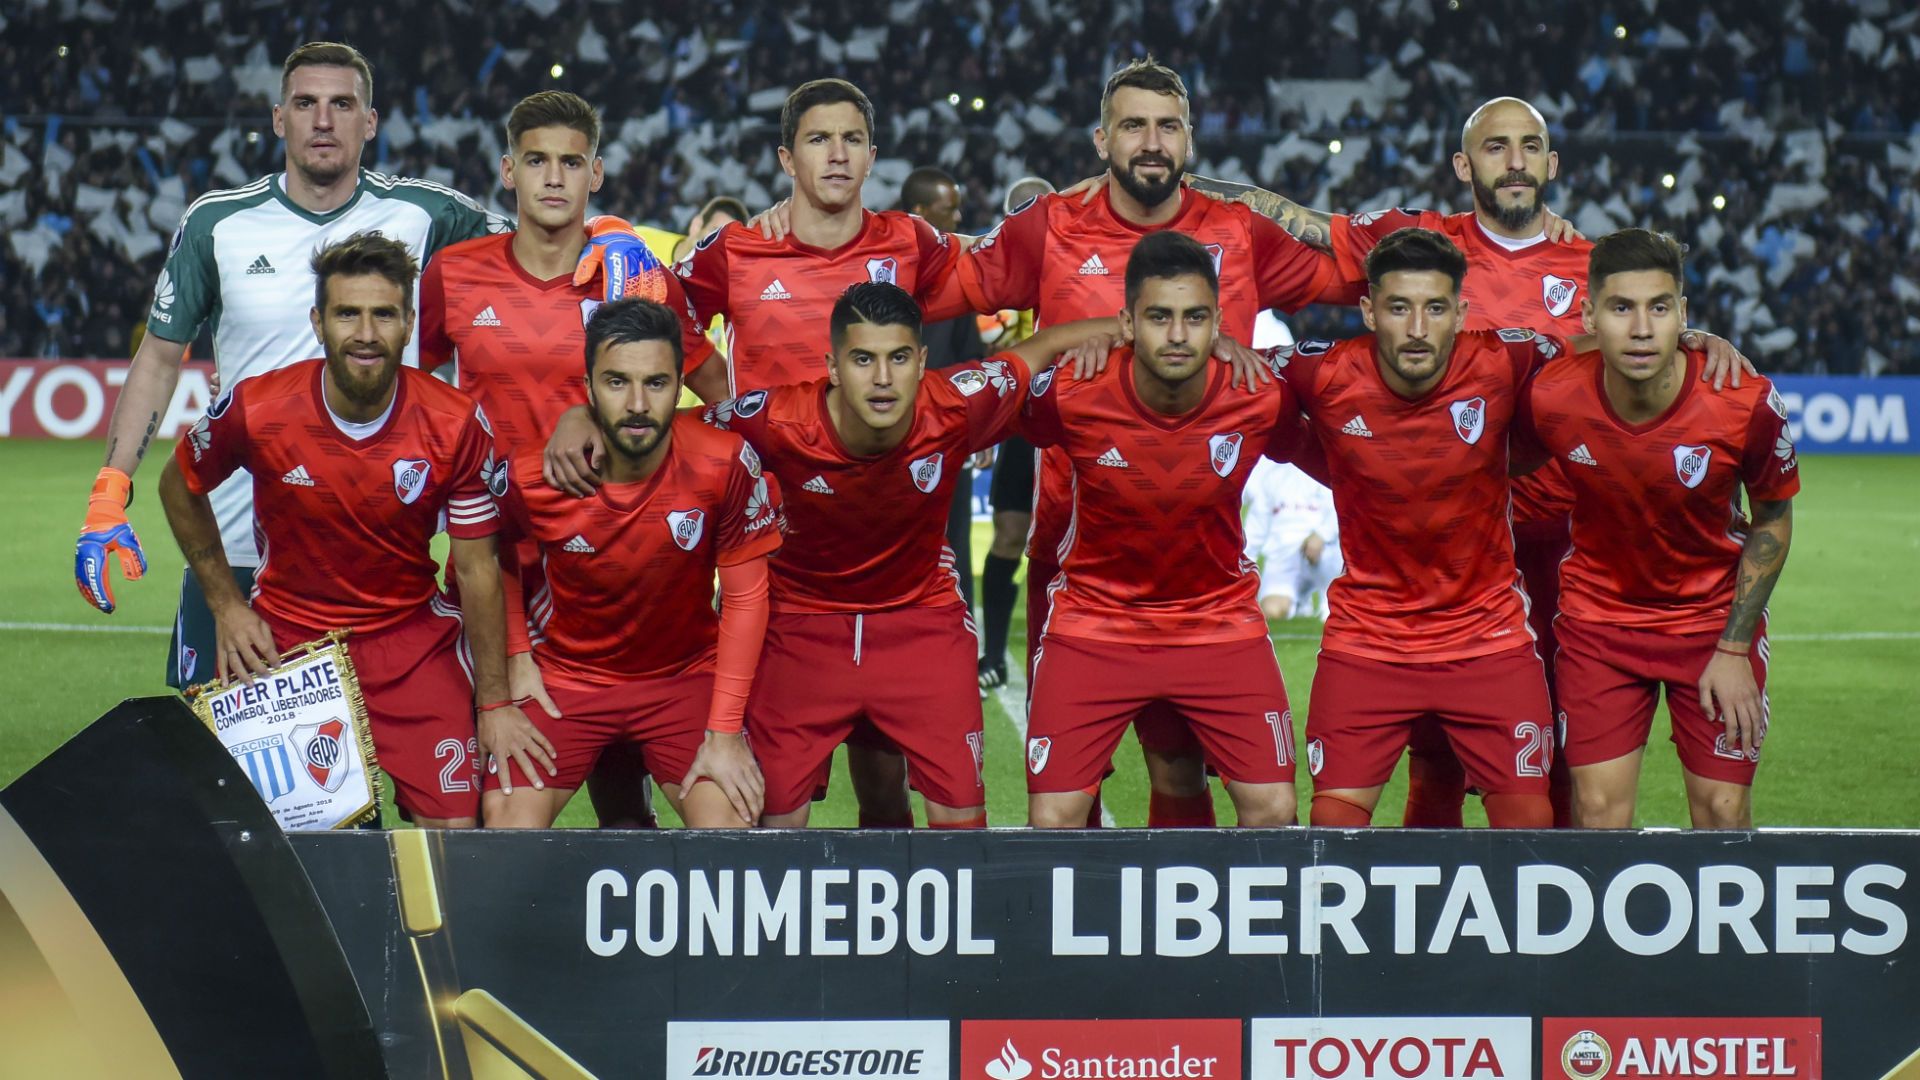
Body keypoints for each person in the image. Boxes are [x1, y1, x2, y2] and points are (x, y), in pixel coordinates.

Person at [1189, 96, 1753, 828]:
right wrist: (1182, 188)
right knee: (1436, 754)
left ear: (1553, 163)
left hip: (1570, 545)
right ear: (1465, 165)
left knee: (1560, 761)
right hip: (1445, 537)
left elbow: (1645, 326)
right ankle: (1440, 922)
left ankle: (1549, 907)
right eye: (1495, 147)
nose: (1513, 162)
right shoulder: (1419, 243)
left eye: (1528, 147)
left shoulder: (1594, 266)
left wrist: (1697, 336)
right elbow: (1287, 216)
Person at [74, 41, 658, 696]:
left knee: (372, 765)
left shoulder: (424, 215)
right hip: (243, 545)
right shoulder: (218, 224)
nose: (323, 120)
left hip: (383, 557)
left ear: (370, 122)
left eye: (342, 104)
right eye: (306, 104)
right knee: (219, 773)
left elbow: (543, 235)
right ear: (278, 119)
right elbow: (158, 356)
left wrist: (611, 229)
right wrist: (109, 490)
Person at [936, 56, 1340, 827]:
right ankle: (1093, 941)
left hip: (1199, 553)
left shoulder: (1239, 229)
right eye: (1133, 126)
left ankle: (1183, 940)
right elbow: (944, 280)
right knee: (1067, 798)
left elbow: (1365, 274)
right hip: (1075, 552)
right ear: (1101, 139)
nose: (1151, 143)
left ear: (1190, 139)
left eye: (1168, 126)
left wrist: (1515, 240)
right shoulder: (1050, 224)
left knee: (1180, 765)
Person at [547, 78, 962, 828]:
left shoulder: (911, 242)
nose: (835, 154)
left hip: (883, 540)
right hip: (771, 552)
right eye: (816, 139)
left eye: (850, 140)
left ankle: (886, 938)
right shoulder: (736, 251)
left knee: (883, 780)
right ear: (786, 157)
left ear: (872, 155)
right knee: (773, 803)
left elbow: (1012, 266)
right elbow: (653, 323)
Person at [155, 232, 538, 828]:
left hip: (410, 643)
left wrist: (493, 702)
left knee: (458, 835)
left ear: (409, 323)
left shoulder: (456, 423)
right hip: (290, 645)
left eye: (383, 314)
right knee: (297, 847)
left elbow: (478, 566)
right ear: (318, 321)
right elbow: (179, 485)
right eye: (347, 314)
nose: (365, 333)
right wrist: (227, 606)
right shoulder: (259, 408)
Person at [706, 282, 1107, 828]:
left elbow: (1040, 348)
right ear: (832, 365)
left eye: (897, 358)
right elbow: (677, 432)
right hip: (801, 630)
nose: (881, 378)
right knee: (775, 830)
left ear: (921, 362)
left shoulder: (955, 403)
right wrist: (582, 420)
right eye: (863, 359)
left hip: (921, 624)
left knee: (962, 829)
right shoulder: (777, 420)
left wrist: (1128, 328)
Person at [418, 90, 711, 829]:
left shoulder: (636, 278)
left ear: (597, 172)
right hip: (493, 563)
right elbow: (415, 401)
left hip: (612, 560)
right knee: (495, 779)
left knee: (623, 787)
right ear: (507, 170)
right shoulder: (453, 275)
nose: (554, 178)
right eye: (538, 161)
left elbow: (718, 393)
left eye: (571, 162)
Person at [1513, 229, 1797, 829]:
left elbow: (1773, 516)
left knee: (1723, 814)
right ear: (1589, 315)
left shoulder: (1744, 401)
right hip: (1600, 624)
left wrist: (1734, 648)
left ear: (1683, 315)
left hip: (1711, 625)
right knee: (1595, 813)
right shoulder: (1551, 393)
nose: (1642, 328)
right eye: (1621, 308)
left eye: (1659, 308)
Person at [1277, 228, 1557, 829]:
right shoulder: (1321, 374)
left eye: (1435, 309)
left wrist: (1694, 340)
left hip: (1487, 640)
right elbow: (1226, 371)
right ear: (1369, 310)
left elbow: (1605, 359)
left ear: (1461, 311)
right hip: (1368, 642)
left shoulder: (1508, 359)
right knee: (1331, 838)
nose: (1417, 328)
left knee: (1532, 835)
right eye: (1399, 308)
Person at [1020, 232, 1301, 829]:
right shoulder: (1073, 392)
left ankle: (1197, 921)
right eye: (1159, 317)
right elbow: (988, 386)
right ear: (1127, 322)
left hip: (1217, 620)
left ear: (1219, 323)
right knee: (1054, 818)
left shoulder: (1259, 394)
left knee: (1273, 811)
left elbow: (1352, 454)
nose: (1177, 335)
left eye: (1195, 318)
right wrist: (1078, 337)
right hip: (1096, 621)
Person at [485, 299, 781, 830]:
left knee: (730, 835)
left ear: (681, 385)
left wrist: (726, 731)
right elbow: (493, 553)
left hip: (683, 678)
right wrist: (515, 654)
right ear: (589, 385)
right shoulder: (533, 474)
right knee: (506, 831)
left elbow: (744, 597)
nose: (639, 403)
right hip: (565, 678)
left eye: (658, 383)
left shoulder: (724, 463)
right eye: (617, 382)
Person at [977, 176, 1055, 697]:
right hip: (1020, 420)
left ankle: (1062, 650)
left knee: (1067, 543)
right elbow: (983, 350)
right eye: (1018, 210)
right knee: (1009, 533)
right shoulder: (994, 273)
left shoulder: (1081, 262)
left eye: (1036, 208)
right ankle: (995, 651)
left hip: (1074, 416)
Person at [901, 165, 990, 616]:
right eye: (948, 211)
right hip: (885, 440)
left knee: (954, 544)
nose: (957, 220)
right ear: (919, 213)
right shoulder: (876, 274)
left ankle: (961, 635)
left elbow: (970, 361)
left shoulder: (956, 278)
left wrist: (984, 428)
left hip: (945, 437)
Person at [1242, 458, 1341, 621]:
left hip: (1323, 552)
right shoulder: (1271, 477)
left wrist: (1321, 535)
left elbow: (1340, 511)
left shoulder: (1325, 471)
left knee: (1329, 556)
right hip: (1283, 557)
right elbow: (1256, 527)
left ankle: (1329, 602)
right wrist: (1245, 563)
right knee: (1272, 610)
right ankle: (1301, 603)